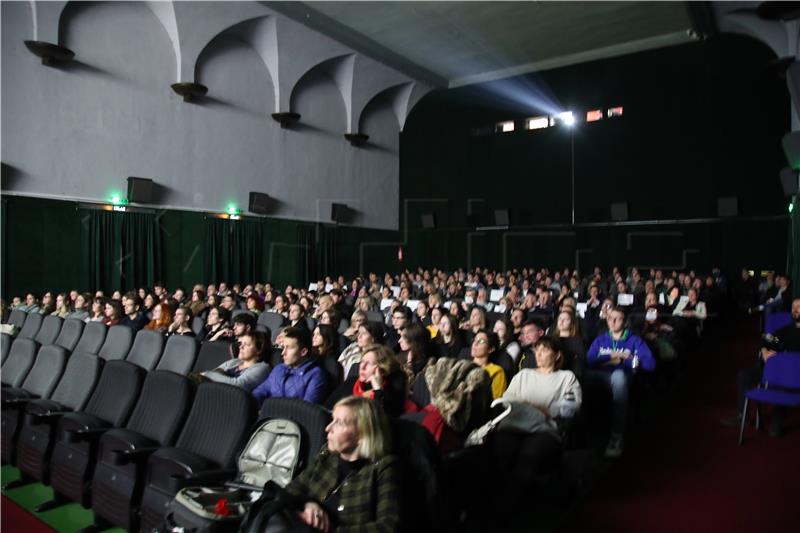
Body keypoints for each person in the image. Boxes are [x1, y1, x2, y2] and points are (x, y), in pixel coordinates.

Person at [491, 337, 582, 515]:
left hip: (544, 430)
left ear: (557, 356)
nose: (538, 354)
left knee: (529, 454)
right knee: (500, 450)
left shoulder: (566, 377)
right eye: (536, 350)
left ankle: (506, 508)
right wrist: (537, 406)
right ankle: (497, 501)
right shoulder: (524, 375)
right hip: (514, 425)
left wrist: (532, 405)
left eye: (544, 350)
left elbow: (570, 407)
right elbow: (508, 400)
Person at [279, 396, 399, 532]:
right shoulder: (328, 455)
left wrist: (332, 530)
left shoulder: (383, 468)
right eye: (332, 420)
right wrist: (309, 503)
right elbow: (292, 489)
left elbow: (388, 526)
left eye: (339, 423)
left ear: (362, 434)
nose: (328, 428)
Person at [723, 297, 800, 435]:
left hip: (793, 374)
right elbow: (766, 340)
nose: (795, 309)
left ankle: (778, 418)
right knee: (744, 376)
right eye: (793, 306)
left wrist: (783, 358)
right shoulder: (785, 330)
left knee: (774, 432)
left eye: (799, 306)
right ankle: (743, 417)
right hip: (775, 369)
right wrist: (764, 351)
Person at [586, 306, 656, 458]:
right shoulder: (600, 339)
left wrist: (626, 359)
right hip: (598, 376)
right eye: (610, 318)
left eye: (618, 319)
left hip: (621, 378)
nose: (613, 321)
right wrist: (610, 357)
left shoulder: (634, 340)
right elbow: (589, 361)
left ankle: (617, 436)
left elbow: (650, 364)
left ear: (624, 322)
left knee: (618, 376)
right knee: (577, 376)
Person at [252, 326, 328, 406]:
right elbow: (260, 392)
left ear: (303, 352)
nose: (283, 353)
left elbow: (306, 411)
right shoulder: (279, 368)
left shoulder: (316, 375)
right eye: (283, 347)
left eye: (288, 348)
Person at [327, 344, 406, 417]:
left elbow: (381, 420)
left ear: (382, 369)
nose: (362, 367)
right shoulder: (351, 382)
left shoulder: (390, 393)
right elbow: (327, 408)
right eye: (362, 362)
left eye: (369, 363)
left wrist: (377, 390)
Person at [199, 332, 270, 392]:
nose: (240, 347)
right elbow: (214, 373)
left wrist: (207, 374)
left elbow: (238, 384)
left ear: (259, 350)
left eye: (247, 345)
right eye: (241, 343)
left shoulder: (263, 368)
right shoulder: (235, 361)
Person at [471, 329, 507, 399]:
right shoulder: (464, 366)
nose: (475, 344)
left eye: (481, 341)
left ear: (491, 349)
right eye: (474, 340)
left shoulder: (496, 371)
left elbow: (495, 400)